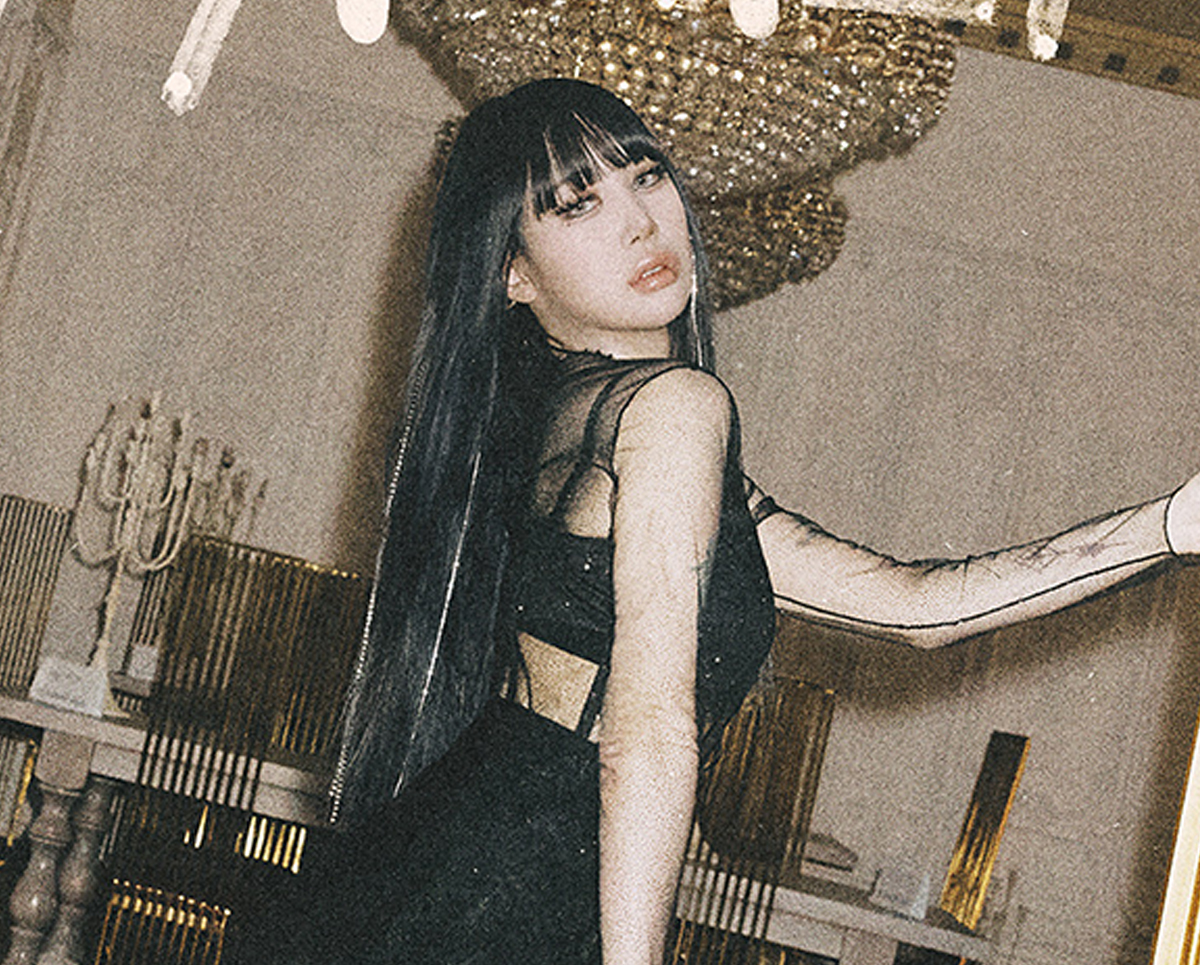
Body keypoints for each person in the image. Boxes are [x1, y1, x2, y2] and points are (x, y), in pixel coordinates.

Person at [234, 77, 1200, 965]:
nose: (641, 221)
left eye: (645, 175)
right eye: (578, 204)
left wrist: (1168, 524)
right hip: (490, 915)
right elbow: (647, 735)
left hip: (440, 889)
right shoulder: (669, 408)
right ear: (512, 274)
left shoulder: (572, 426)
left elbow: (916, 607)